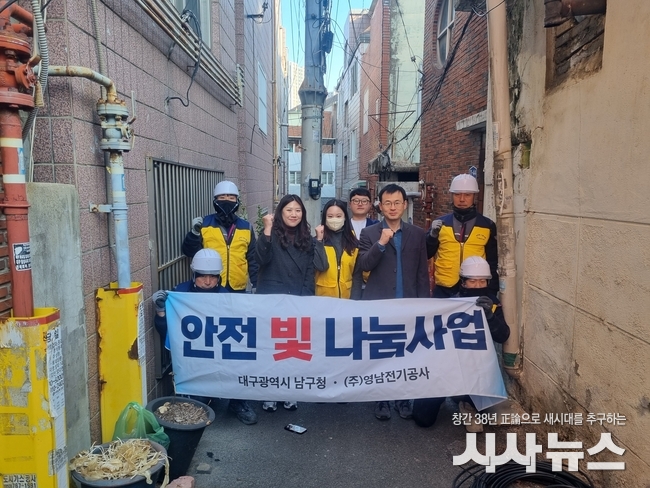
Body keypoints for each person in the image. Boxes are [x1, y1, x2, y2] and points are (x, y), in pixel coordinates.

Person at [151, 248, 258, 425]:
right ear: (194, 275)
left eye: (213, 276)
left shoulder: (226, 297)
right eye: (202, 276)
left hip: (220, 355)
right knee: (197, 403)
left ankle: (238, 402)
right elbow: (167, 333)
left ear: (219, 276)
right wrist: (161, 311)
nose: (208, 281)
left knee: (241, 360)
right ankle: (202, 395)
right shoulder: (180, 294)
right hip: (194, 359)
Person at [357, 184, 430, 421]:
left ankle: (402, 397)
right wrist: (380, 244)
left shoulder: (417, 234)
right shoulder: (369, 233)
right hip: (379, 305)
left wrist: (424, 305)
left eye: (397, 202)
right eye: (387, 203)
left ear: (405, 205)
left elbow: (422, 272)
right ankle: (381, 399)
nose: (392, 207)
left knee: (406, 354)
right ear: (379, 206)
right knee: (381, 354)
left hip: (408, 304)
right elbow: (364, 265)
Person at [412, 256, 510, 431]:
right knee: (423, 418)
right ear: (463, 282)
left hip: (474, 368)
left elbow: (503, 336)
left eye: (482, 281)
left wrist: (490, 316)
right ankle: (447, 395)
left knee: (477, 406)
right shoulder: (450, 302)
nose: (478, 286)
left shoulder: (491, 304)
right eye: (472, 281)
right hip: (445, 366)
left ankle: (467, 403)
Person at [255, 194, 327, 412]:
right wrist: (267, 230)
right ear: (280, 213)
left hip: (297, 300)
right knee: (271, 348)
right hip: (272, 300)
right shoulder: (270, 235)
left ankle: (289, 391)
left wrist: (304, 301)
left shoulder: (308, 239)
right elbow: (261, 259)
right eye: (289, 210)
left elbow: (314, 270)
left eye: (298, 210)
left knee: (292, 350)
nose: (294, 214)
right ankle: (269, 392)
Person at [427, 174, 498, 298]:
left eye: (467, 195)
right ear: (452, 196)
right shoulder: (441, 224)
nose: (462, 199)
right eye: (457, 194)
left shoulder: (487, 225)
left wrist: (491, 294)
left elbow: (493, 262)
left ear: (474, 196)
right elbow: (426, 253)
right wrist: (432, 236)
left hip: (475, 289)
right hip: (444, 290)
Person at [182, 180, 258, 293]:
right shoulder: (204, 224)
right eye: (222, 198)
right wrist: (194, 233)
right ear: (215, 201)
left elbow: (253, 259)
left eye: (231, 198)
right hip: (212, 285)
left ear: (237, 201)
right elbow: (189, 252)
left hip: (238, 287)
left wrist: (256, 284)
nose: (227, 201)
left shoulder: (246, 227)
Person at [314, 199, 362, 299]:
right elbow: (321, 267)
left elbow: (357, 276)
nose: (334, 219)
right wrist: (319, 241)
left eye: (339, 216)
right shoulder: (316, 242)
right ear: (324, 218)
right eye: (330, 216)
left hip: (346, 299)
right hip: (322, 299)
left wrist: (354, 301)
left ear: (345, 218)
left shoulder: (354, 244)